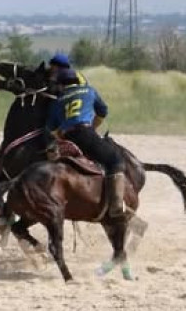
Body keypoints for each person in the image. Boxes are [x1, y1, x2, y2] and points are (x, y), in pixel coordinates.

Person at [46, 69, 126, 219]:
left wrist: (62, 137)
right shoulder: (89, 91)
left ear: (62, 85)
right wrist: (93, 128)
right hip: (86, 133)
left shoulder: (59, 99)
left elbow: (52, 128)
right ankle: (116, 205)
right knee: (115, 160)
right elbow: (103, 111)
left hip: (67, 138)